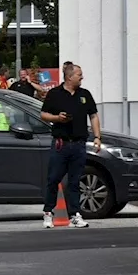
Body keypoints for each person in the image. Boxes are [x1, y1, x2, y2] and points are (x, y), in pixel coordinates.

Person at [38, 62, 100, 229]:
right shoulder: (55, 94)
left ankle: (75, 214)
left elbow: (93, 115)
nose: (82, 77)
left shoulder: (84, 94)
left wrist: (97, 137)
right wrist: (58, 118)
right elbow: (43, 114)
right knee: (53, 179)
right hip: (61, 144)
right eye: (79, 75)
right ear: (69, 77)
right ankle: (48, 213)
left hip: (79, 144)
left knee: (75, 181)